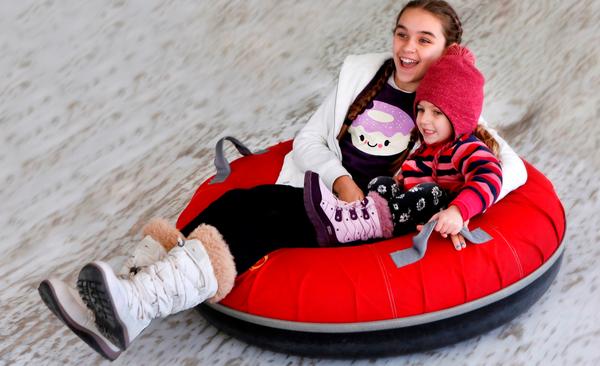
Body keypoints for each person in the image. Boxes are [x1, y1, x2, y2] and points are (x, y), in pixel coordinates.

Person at [38, 1, 527, 361]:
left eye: (425, 39)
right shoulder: (364, 75)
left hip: (365, 222)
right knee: (239, 203)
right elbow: (307, 142)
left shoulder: (450, 112)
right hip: (325, 193)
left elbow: (505, 168)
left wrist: (457, 206)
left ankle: (138, 304)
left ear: (447, 51)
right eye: (402, 34)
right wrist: (340, 179)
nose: (408, 47)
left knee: (259, 225)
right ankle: (129, 295)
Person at [303, 45, 502, 251]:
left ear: (460, 118)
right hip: (404, 214)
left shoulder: (465, 147)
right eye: (420, 109)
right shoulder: (424, 150)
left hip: (441, 213)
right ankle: (356, 218)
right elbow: (406, 182)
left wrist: (459, 211)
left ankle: (361, 224)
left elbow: (491, 176)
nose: (423, 120)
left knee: (430, 191)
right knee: (382, 183)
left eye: (437, 113)